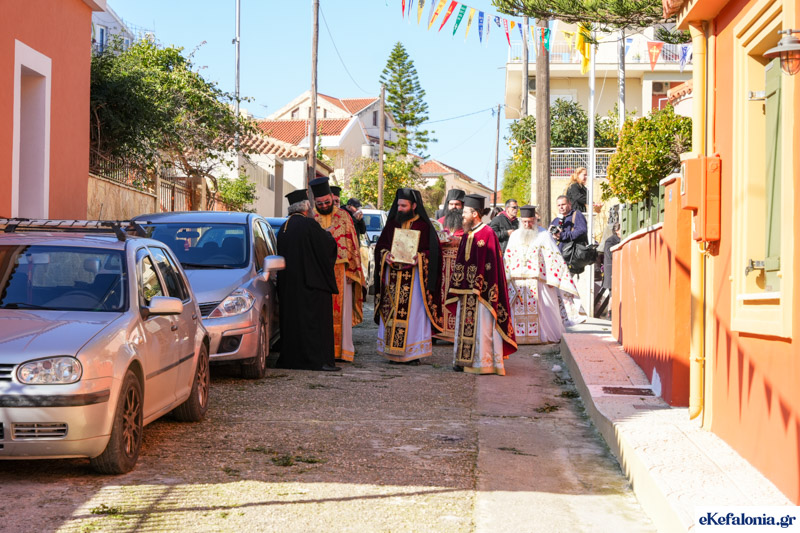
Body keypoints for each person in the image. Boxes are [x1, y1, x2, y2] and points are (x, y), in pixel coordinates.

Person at [448, 194, 517, 375]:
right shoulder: (467, 234)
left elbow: (493, 265)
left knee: (483, 329)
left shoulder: (488, 233)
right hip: (464, 290)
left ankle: (483, 363)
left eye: (465, 212)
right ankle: (462, 360)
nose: (462, 216)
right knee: (463, 326)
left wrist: (480, 285)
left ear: (475, 214)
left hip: (483, 292)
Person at [373, 188, 444, 364]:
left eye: (404, 206)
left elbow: (435, 253)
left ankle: (412, 353)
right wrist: (385, 255)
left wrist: (420, 258)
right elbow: (380, 247)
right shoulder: (392, 224)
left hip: (415, 281)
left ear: (413, 206)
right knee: (392, 313)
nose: (400, 209)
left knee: (413, 316)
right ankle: (391, 351)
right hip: (392, 279)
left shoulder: (424, 226)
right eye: (398, 205)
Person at [276, 189, 341, 372]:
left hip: (290, 286)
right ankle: (317, 361)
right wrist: (328, 235)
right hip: (311, 286)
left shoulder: (284, 227)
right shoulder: (309, 224)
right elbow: (325, 248)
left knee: (294, 324)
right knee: (313, 325)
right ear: (306, 208)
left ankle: (293, 360)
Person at [504, 205, 581, 344]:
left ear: (535, 219)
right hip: (518, 282)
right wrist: (506, 277)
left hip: (539, 280)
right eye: (524, 222)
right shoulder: (514, 236)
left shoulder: (544, 235)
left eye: (530, 221)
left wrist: (552, 279)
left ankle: (545, 336)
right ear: (521, 221)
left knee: (544, 310)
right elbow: (507, 258)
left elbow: (554, 258)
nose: (527, 225)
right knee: (516, 310)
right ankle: (517, 338)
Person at [310, 177, 365, 362]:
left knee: (341, 313)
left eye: (327, 202)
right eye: (320, 203)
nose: (324, 206)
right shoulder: (311, 218)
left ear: (331, 199)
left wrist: (352, 271)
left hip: (342, 271)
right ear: (315, 202)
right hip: (318, 271)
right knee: (319, 312)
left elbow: (353, 245)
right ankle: (322, 351)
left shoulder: (344, 216)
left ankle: (342, 351)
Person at [435, 191, 465, 342]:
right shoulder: (440, 222)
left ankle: (457, 332)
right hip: (441, 267)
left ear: (462, 206)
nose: (454, 207)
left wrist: (458, 241)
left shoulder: (467, 224)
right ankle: (437, 330)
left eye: (457, 204)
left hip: (460, 268)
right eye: (451, 204)